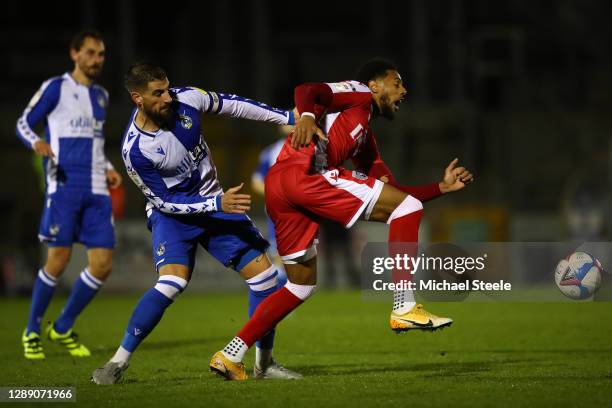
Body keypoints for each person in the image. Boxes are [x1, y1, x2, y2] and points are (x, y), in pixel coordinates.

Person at [209, 58, 474, 379]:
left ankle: (231, 354)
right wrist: (307, 115)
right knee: (406, 210)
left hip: (282, 188)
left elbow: (395, 196)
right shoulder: (360, 93)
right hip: (305, 174)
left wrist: (440, 188)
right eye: (397, 82)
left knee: (301, 286)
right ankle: (404, 306)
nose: (404, 90)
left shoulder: (364, 140)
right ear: (375, 85)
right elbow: (308, 90)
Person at [91, 63, 301, 384]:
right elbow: (163, 202)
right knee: (172, 283)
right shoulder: (136, 151)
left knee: (267, 279)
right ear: (137, 98)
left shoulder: (188, 98)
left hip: (214, 207)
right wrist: (217, 203)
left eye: (166, 88)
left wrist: (286, 117)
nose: (167, 97)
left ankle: (264, 365)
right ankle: (117, 362)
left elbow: (234, 105)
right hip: (174, 217)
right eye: (157, 93)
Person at [16, 30, 122, 360]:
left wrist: (106, 165)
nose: (97, 60)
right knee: (58, 261)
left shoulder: (102, 96)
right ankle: (32, 330)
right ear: (74, 54)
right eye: (91, 53)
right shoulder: (56, 88)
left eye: (101, 54)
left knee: (102, 265)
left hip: (96, 187)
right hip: (63, 185)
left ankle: (62, 326)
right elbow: (24, 123)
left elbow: (94, 140)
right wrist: (35, 143)